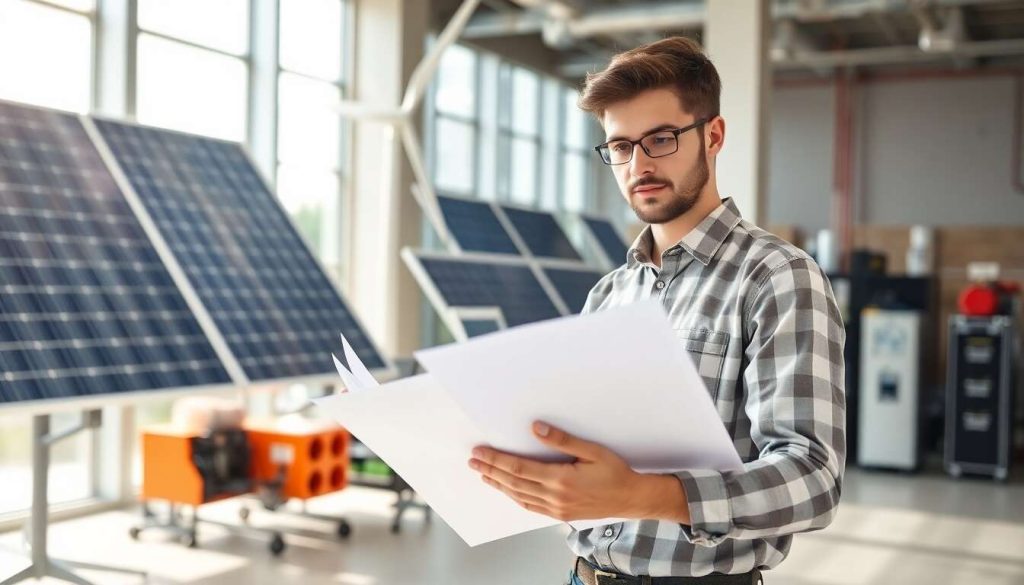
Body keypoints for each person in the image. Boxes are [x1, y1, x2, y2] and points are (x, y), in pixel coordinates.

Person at [467, 36, 846, 585]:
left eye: (660, 139)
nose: (638, 164)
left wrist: (649, 496)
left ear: (712, 136)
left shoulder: (775, 276)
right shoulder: (609, 294)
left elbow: (814, 481)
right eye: (620, 147)